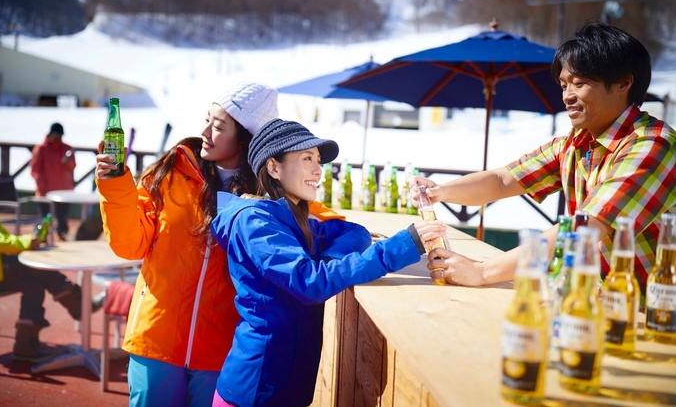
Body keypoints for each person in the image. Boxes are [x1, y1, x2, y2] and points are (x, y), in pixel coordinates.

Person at [414, 21, 676, 293]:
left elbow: (585, 228)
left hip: (652, 311)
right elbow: (502, 180)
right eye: (564, 85)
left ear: (623, 82)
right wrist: (440, 192)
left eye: (580, 83)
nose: (567, 96)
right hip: (594, 300)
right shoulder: (574, 144)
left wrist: (481, 271)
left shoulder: (653, 145)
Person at [210, 119, 446, 407]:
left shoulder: (294, 220)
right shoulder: (254, 222)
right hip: (255, 388)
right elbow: (310, 282)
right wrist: (402, 245)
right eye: (306, 158)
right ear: (273, 168)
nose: (318, 169)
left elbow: (354, 232)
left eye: (318, 160)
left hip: (285, 385)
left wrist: (329, 260)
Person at [96, 82, 283, 406]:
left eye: (219, 125)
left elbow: (321, 219)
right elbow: (130, 245)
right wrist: (115, 186)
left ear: (245, 137)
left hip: (221, 350)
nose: (205, 131)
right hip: (156, 340)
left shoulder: (268, 194)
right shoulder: (172, 171)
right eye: (207, 119)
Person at [0, 157, 102, 363]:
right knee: (32, 268)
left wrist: (27, 241)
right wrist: (26, 242)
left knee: (32, 281)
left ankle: (25, 346)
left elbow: (1, 238)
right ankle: (78, 305)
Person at [30, 122, 76, 241]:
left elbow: (72, 167)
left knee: (63, 219)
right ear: (50, 134)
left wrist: (68, 162)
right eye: (56, 135)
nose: (58, 138)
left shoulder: (67, 148)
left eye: (60, 135)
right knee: (44, 218)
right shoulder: (41, 148)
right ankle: (40, 238)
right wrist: (41, 185)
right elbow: (35, 169)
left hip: (63, 190)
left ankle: (62, 236)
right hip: (45, 191)